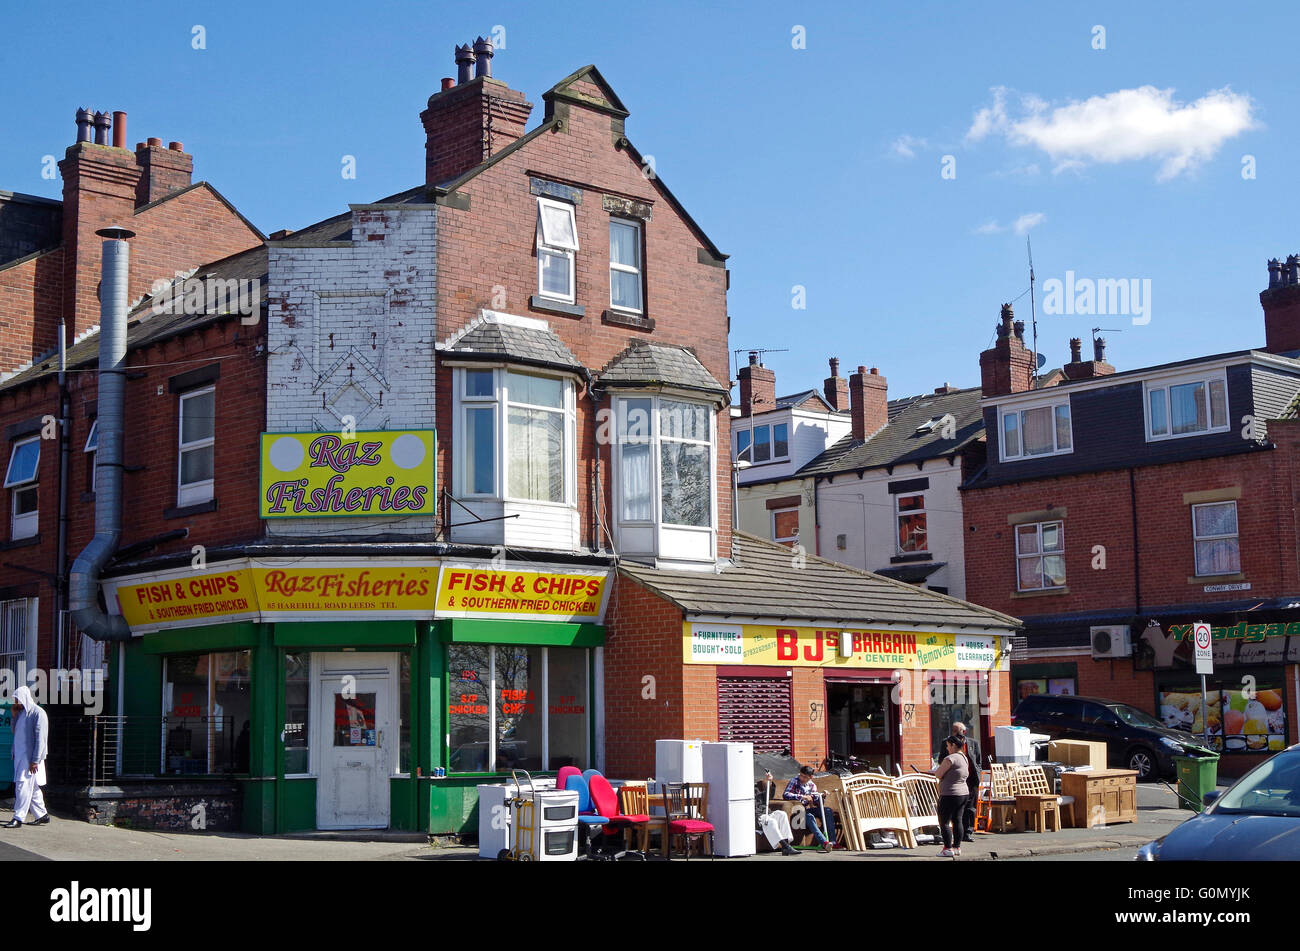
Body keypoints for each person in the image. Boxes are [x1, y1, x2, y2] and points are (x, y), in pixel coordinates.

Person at [7, 686, 49, 828]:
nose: (15, 702)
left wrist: (35, 760)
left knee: (22, 786)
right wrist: (13, 716)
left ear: (24, 698)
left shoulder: (38, 713)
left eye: (17, 699)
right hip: (20, 756)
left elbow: (41, 739)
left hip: (29, 757)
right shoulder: (21, 714)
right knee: (33, 787)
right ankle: (42, 815)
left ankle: (18, 817)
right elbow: (15, 731)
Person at [930, 735, 968, 857]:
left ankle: (947, 848)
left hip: (949, 794)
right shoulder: (964, 757)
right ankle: (957, 847)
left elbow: (938, 774)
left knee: (944, 822)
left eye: (948, 745)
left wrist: (937, 771)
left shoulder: (950, 758)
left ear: (953, 745)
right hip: (963, 793)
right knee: (958, 820)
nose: (947, 748)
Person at [783, 765, 836, 852]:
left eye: (805, 777)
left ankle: (833, 842)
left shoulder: (812, 785)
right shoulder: (794, 781)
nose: (802, 778)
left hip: (807, 809)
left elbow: (817, 803)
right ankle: (824, 843)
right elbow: (786, 794)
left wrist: (822, 796)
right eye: (801, 775)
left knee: (827, 810)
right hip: (797, 809)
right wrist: (802, 797)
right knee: (809, 816)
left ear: (811, 777)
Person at [756, 771, 799, 855]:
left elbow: (769, 796)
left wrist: (770, 782)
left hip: (766, 813)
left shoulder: (756, 789)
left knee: (782, 814)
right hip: (757, 817)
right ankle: (785, 846)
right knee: (771, 821)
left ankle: (786, 846)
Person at [952, 722, 981, 842]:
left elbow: (978, 761)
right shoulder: (948, 743)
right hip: (956, 780)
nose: (954, 733)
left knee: (970, 807)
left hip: (971, 779)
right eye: (953, 731)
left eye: (957, 731)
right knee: (957, 806)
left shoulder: (973, 743)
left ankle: (968, 832)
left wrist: (977, 773)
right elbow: (942, 759)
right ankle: (958, 832)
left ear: (964, 732)